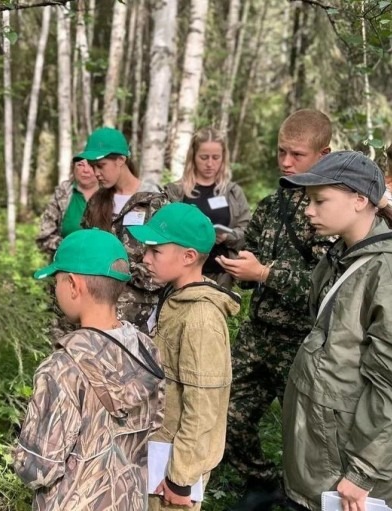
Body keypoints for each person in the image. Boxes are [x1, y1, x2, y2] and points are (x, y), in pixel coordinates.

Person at [215, 109, 334, 510]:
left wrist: (264, 272)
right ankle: (262, 483)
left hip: (302, 341)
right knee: (227, 414)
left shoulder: (332, 210)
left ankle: (304, 496)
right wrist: (241, 268)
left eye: (296, 154)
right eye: (281, 152)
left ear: (324, 153)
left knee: (307, 434)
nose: (285, 162)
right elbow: (256, 267)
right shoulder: (273, 204)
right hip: (258, 333)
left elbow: (325, 289)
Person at [13, 228, 165, 511]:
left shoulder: (62, 368)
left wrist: (21, 453)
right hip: (129, 500)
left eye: (56, 281)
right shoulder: (145, 349)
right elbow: (155, 422)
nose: (55, 288)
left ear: (73, 285)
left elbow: (39, 468)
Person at [279, 152, 392, 510]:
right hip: (321, 451)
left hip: (348, 464)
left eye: (320, 200)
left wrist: (362, 474)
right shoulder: (341, 255)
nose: (309, 211)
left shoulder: (383, 270)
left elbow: (388, 385)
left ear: (360, 200)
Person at [129, 203, 240, 511]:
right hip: (158, 456)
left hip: (174, 471)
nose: (146, 258)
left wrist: (181, 478)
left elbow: (204, 405)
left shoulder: (201, 318)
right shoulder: (174, 297)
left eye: (156, 251)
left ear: (189, 257)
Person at [80, 127, 167, 332]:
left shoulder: (154, 202)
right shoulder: (96, 203)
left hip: (139, 315)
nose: (96, 173)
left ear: (121, 159)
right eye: (93, 167)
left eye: (101, 165)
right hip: (96, 311)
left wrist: (121, 273)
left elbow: (165, 262)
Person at [165, 127, 251, 288]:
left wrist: (227, 237)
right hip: (181, 273)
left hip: (220, 275)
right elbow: (163, 230)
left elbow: (248, 231)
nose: (210, 164)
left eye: (216, 157)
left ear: (223, 158)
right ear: (193, 157)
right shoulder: (176, 191)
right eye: (204, 157)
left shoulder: (232, 192)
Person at [36, 158, 99, 257]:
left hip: (103, 264)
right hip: (66, 262)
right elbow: (45, 235)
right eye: (80, 165)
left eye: (90, 165)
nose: (85, 170)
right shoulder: (62, 193)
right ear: (73, 168)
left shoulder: (111, 193)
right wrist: (69, 247)